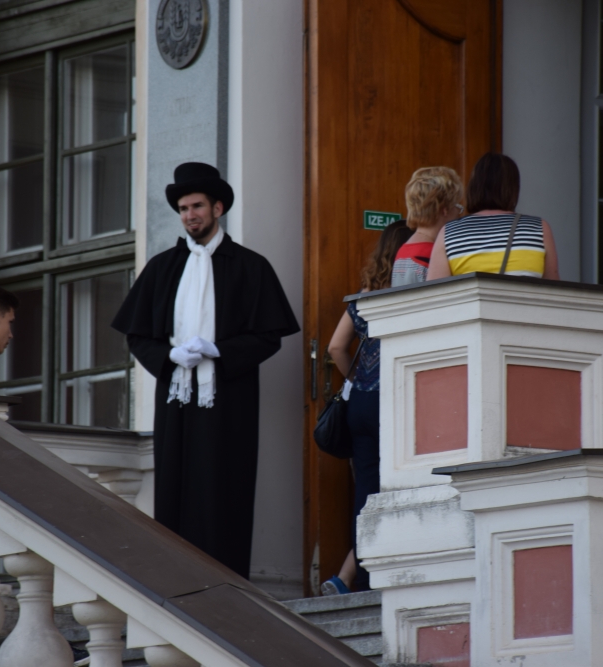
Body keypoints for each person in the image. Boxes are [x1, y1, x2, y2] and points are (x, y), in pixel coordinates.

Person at [111, 162, 300, 579]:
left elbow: (269, 336)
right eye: (183, 208)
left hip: (229, 400)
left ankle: (227, 585)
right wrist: (169, 357)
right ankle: (177, 580)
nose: (189, 215)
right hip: (176, 399)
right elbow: (138, 337)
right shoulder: (162, 268)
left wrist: (220, 351)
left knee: (224, 487)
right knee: (175, 487)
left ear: (218, 208)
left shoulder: (250, 266)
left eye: (197, 206)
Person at [321, 219, 413, 595]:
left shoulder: (365, 296)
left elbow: (335, 347)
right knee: (402, 487)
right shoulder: (411, 293)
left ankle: (355, 580)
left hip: (360, 402)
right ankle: (380, 574)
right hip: (396, 401)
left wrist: (358, 379)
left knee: (366, 493)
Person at [428, 152, 560, 281]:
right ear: (513, 188)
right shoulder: (538, 229)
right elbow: (553, 290)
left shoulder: (449, 233)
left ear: (474, 186)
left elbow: (437, 293)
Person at [391, 167, 464, 286]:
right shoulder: (433, 254)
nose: (459, 213)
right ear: (445, 209)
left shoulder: (403, 249)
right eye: (458, 206)